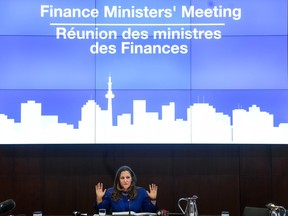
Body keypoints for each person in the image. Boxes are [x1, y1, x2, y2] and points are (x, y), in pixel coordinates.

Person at [94, 165, 159, 214]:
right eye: (122, 178)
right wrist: (99, 198)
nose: (125, 180)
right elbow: (102, 211)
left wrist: (153, 199)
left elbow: (151, 211)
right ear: (118, 180)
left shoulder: (141, 192)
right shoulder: (110, 192)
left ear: (132, 179)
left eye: (128, 177)